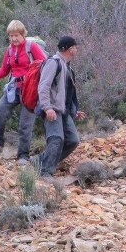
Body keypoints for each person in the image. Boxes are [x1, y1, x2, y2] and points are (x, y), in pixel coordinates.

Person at [0, 20, 44, 164]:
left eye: (16, 35)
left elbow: (45, 64)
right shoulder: (10, 50)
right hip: (14, 88)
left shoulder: (31, 47)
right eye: (11, 36)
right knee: (0, 110)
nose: (14, 39)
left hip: (30, 90)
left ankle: (23, 156)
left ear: (23, 34)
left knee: (25, 124)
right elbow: (4, 70)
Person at [36, 35, 86, 178]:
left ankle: (38, 162)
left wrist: (74, 111)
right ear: (70, 49)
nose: (76, 49)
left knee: (72, 140)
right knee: (56, 138)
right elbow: (43, 86)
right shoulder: (54, 62)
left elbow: (65, 93)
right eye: (75, 47)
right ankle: (45, 172)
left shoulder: (66, 66)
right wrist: (47, 107)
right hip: (52, 110)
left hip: (63, 111)